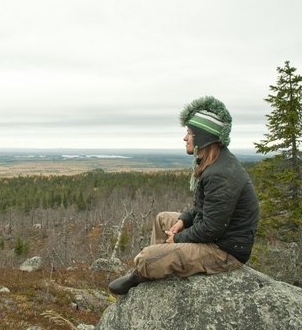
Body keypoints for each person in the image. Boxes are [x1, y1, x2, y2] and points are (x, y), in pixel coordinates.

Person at [108, 96, 260, 295]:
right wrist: (183, 221)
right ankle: (160, 261)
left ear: (204, 137)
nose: (185, 138)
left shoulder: (221, 173)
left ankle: (147, 268)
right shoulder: (214, 163)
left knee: (146, 258)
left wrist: (178, 238)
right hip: (216, 238)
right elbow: (201, 209)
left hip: (224, 251)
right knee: (163, 219)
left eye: (189, 133)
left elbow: (212, 228)